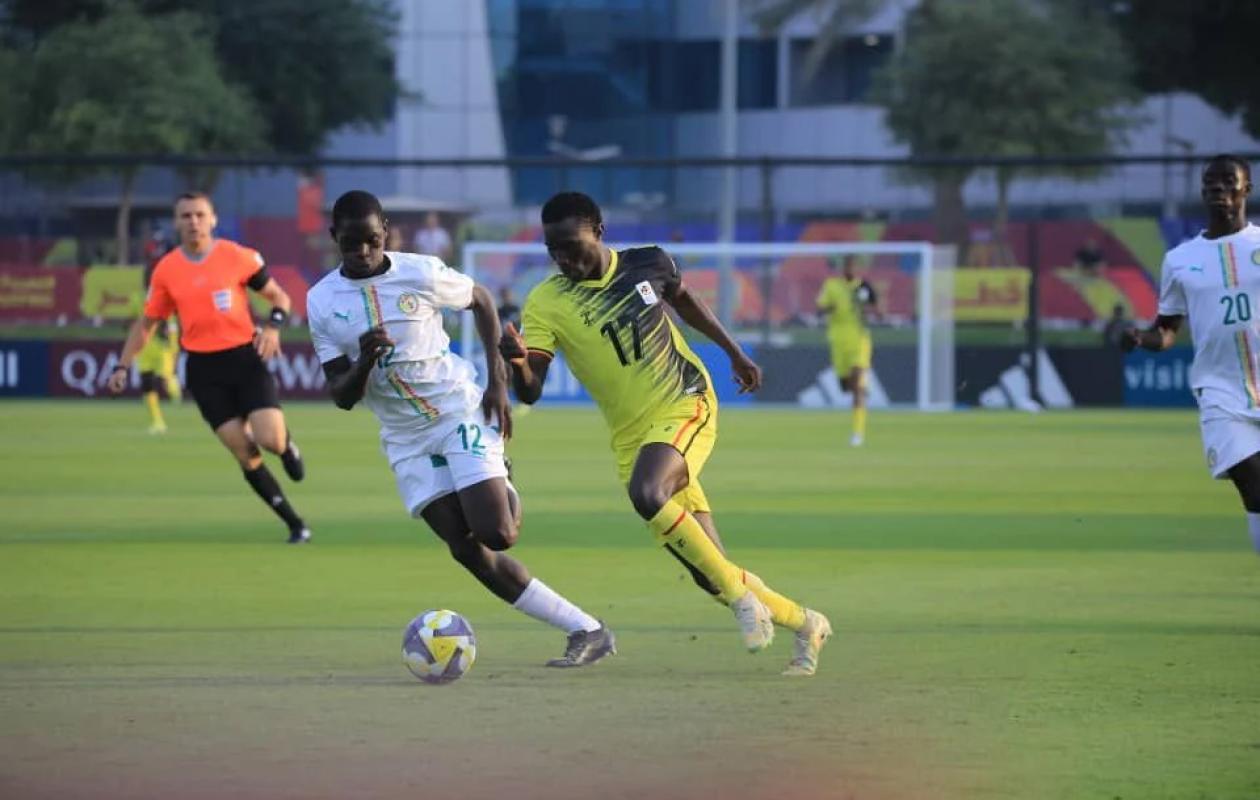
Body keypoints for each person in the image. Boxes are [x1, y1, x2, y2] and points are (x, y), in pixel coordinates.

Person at [500, 191, 831, 676]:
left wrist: (734, 352)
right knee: (708, 570)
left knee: (648, 492)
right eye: (553, 250)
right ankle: (806, 624)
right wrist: (515, 362)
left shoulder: (648, 264)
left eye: (571, 245)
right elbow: (530, 391)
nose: (563, 259)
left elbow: (686, 300)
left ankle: (743, 601)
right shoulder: (547, 301)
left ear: (599, 231)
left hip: (686, 401)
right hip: (632, 437)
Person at [307, 190, 615, 666]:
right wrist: (365, 361)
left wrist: (497, 381)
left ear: (385, 230)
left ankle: (500, 473)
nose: (364, 252)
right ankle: (587, 630)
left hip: (457, 412)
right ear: (334, 239)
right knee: (466, 550)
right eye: (351, 244)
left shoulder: (421, 272)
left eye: (371, 240)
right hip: (404, 438)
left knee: (498, 534)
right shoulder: (321, 301)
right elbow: (341, 395)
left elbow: (482, 299)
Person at [109, 192, 310, 544]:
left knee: (269, 439)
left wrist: (274, 326)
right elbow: (147, 324)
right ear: (176, 222)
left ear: (213, 219)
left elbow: (280, 297)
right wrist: (123, 365)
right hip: (204, 370)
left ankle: (288, 446)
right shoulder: (167, 269)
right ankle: (295, 524)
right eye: (185, 216)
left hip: (245, 360)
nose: (193, 221)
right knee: (244, 452)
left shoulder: (237, 256)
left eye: (200, 214)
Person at [1121, 154, 1260, 554]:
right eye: (1210, 183)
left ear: (1246, 189)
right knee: (1254, 486)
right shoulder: (1180, 260)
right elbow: (1166, 330)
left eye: (1227, 182)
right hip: (1220, 393)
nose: (1217, 189)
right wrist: (1138, 337)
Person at [816, 255, 878, 447]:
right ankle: (859, 387)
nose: (850, 269)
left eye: (853, 266)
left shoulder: (864, 288)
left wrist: (867, 309)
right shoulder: (832, 286)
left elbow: (878, 310)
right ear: (843, 268)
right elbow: (819, 310)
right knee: (846, 387)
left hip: (860, 340)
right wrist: (829, 308)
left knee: (857, 383)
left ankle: (858, 433)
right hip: (838, 341)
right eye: (847, 266)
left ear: (858, 268)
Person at [137, 228, 182, 434]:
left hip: (165, 334)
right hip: (147, 338)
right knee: (146, 379)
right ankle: (157, 422)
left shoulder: (173, 267)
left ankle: (174, 387)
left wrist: (167, 327)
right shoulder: (150, 270)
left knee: (162, 380)